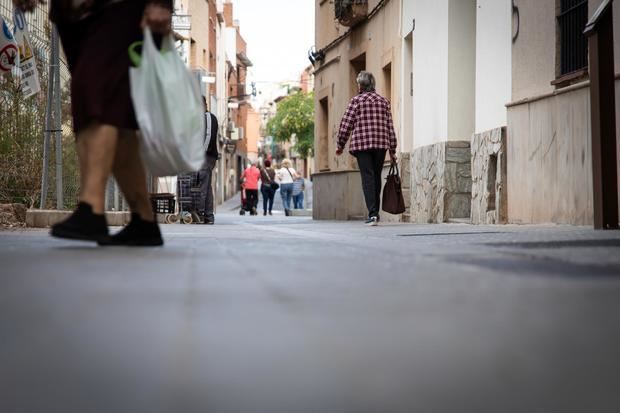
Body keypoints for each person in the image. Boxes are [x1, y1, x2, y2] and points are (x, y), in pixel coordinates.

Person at [15, 0, 173, 245]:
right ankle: (144, 220)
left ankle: (91, 207)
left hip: (118, 8)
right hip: (72, 12)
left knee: (95, 92)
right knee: (117, 114)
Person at [336, 70, 397, 227]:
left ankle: (373, 214)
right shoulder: (384, 102)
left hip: (362, 145)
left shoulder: (356, 101)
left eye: (358, 83)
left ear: (361, 85)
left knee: (368, 177)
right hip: (380, 145)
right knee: (376, 176)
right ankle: (375, 213)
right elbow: (390, 126)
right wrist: (392, 149)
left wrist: (340, 144)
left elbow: (346, 124)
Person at [198, 98, 219, 225]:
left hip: (207, 156)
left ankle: (202, 214)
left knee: (203, 185)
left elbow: (209, 136)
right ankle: (208, 216)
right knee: (205, 185)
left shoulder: (209, 117)